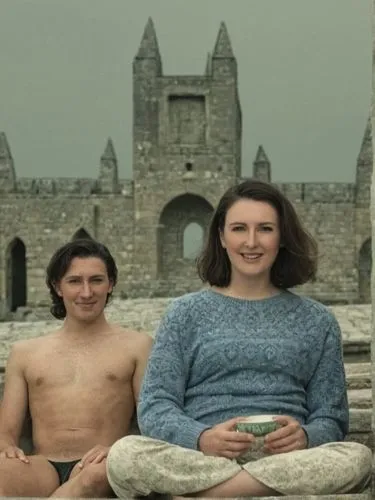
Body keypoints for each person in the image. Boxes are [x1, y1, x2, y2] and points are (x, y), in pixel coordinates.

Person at [106, 179, 372, 498]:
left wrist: (305, 436)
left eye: (265, 229)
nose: (251, 242)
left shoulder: (318, 320)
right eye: (239, 229)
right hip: (202, 457)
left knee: (356, 460)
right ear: (221, 237)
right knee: (125, 456)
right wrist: (202, 437)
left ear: (282, 237)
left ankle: (212, 493)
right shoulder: (184, 314)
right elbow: (156, 405)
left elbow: (331, 417)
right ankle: (252, 489)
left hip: (287, 460)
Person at [0, 239, 152, 497]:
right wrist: (6, 448)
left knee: (95, 476)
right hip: (41, 466)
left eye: (96, 280)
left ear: (110, 284)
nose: (86, 293)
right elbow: (7, 432)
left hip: (102, 464)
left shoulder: (138, 347)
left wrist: (121, 450)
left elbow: (153, 422)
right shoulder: (25, 353)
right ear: (57, 287)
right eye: (74, 281)